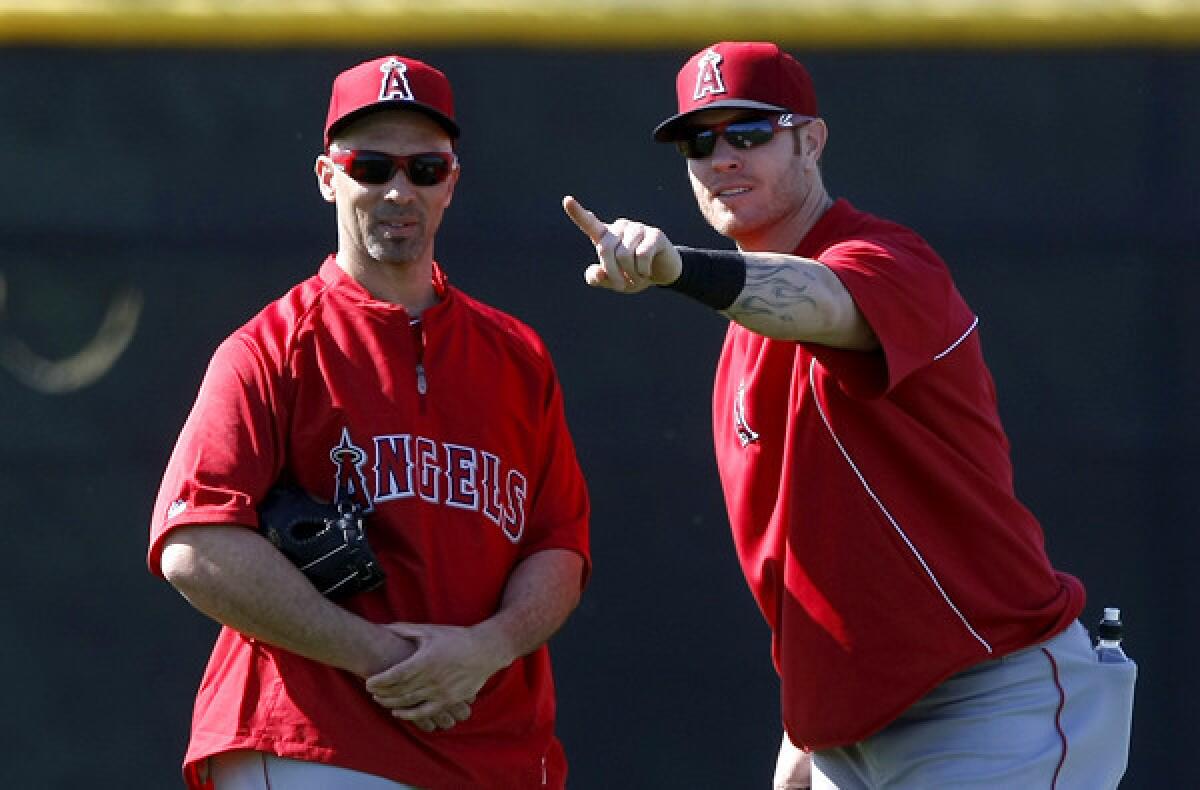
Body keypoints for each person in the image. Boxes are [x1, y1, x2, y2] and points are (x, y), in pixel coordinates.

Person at [563, 41, 1135, 789]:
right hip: (846, 744)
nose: (722, 157)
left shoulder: (887, 259)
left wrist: (679, 268)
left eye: (750, 132)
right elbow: (805, 555)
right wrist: (803, 730)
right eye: (699, 142)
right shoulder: (740, 342)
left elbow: (827, 303)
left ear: (812, 138)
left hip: (990, 708)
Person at [149, 54, 590, 789]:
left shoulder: (517, 356)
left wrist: (487, 647)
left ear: (451, 181)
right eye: (371, 165)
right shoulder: (270, 349)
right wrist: (381, 658)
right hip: (319, 742)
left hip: (497, 750)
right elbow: (195, 543)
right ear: (328, 176)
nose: (397, 190)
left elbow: (559, 548)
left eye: (423, 169)